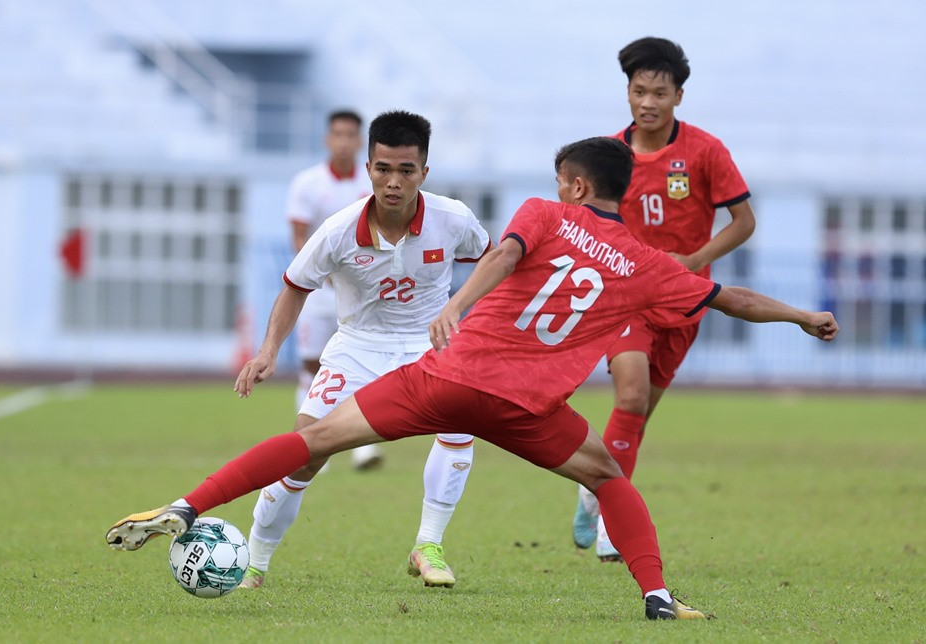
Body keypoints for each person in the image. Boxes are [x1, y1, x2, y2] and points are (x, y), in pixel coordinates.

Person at [106, 136, 837, 621]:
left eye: (561, 180)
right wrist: (802, 316)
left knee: (316, 439)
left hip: (448, 378)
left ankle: (187, 505)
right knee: (609, 475)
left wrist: (456, 304)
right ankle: (656, 595)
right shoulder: (649, 266)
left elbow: (505, 254)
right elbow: (731, 298)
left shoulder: (546, 212)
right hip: (528, 409)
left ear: (576, 184)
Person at [237, 110, 491, 589]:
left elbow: (492, 262)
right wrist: (268, 350)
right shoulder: (337, 229)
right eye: (384, 169)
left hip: (429, 344)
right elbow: (295, 286)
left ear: (424, 172)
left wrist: (467, 316)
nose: (394, 182)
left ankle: (428, 545)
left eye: (406, 171)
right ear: (369, 167)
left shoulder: (453, 219)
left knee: (461, 426)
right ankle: (254, 561)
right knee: (302, 451)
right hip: (358, 346)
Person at [572, 37, 759, 560]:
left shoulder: (705, 151)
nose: (648, 102)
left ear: (679, 95)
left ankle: (591, 489)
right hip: (625, 298)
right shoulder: (609, 156)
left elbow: (743, 222)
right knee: (630, 396)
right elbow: (585, 225)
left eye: (659, 93)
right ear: (627, 93)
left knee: (637, 415)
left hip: (683, 300)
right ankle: (612, 524)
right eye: (639, 91)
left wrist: (695, 260)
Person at [285, 109, 383, 471]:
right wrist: (319, 270)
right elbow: (299, 235)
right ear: (328, 138)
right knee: (312, 364)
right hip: (320, 290)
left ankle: (362, 448)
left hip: (362, 290)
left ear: (360, 142)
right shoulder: (307, 183)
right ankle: (309, 446)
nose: (343, 142)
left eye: (350, 135)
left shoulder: (375, 182)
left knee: (365, 362)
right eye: (337, 134)